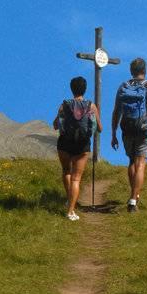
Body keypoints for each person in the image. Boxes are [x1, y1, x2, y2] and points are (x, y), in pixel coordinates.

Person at [111, 57, 147, 212]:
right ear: (145, 70)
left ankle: (134, 194)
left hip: (127, 128)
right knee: (141, 163)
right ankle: (134, 199)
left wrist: (114, 133)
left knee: (131, 161)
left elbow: (116, 111)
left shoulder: (123, 87)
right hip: (144, 128)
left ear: (131, 71)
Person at [53, 76, 101, 221]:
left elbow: (55, 125)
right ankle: (70, 211)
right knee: (76, 179)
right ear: (84, 89)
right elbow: (99, 128)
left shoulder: (64, 105)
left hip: (64, 143)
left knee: (66, 171)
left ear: (71, 88)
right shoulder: (91, 106)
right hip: (82, 145)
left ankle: (69, 200)